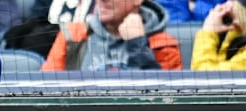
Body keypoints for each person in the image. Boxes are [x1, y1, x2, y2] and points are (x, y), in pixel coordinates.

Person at [39, 0, 182, 71]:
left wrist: (138, 44)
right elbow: (46, 91)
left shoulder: (163, 44)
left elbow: (163, 103)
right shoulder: (72, 36)